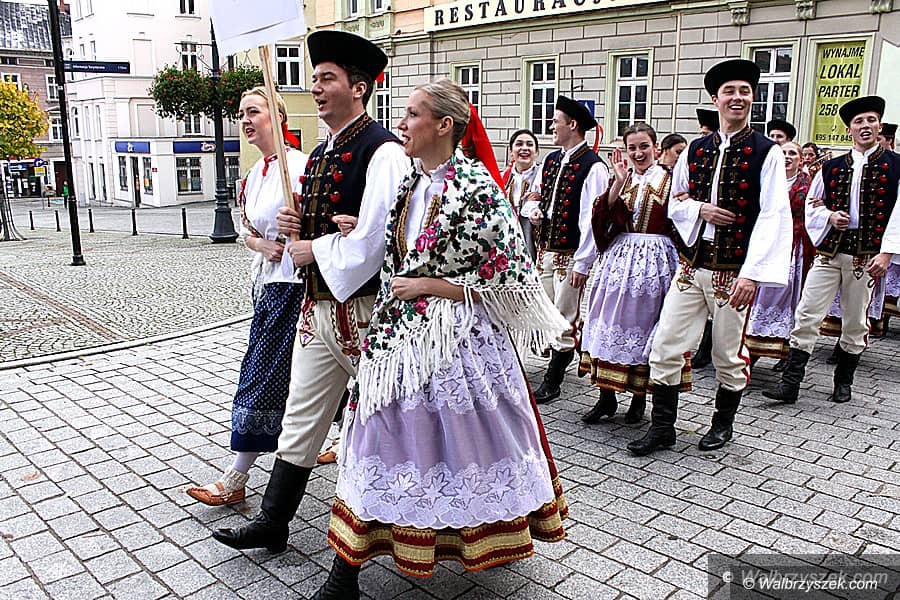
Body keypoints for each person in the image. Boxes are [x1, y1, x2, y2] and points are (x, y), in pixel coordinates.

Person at [312, 79, 570, 599]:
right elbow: (401, 253)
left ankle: (480, 536)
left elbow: (509, 275)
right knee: (378, 439)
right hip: (397, 339)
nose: (402, 123)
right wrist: (358, 230)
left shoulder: (476, 188)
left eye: (412, 114)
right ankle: (348, 570)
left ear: (444, 125)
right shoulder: (410, 184)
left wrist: (432, 286)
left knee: (466, 445)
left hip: (458, 340)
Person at [211, 30, 411, 553]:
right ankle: (273, 522)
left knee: (382, 420)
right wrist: (296, 225)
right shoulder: (323, 152)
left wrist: (313, 249)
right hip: (318, 306)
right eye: (315, 78)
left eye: (327, 79)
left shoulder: (383, 151)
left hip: (365, 310)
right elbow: (325, 227)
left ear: (359, 88)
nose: (316, 88)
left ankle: (395, 528)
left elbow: (376, 239)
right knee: (300, 415)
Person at [628, 58, 792, 456]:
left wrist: (751, 274)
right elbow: (675, 202)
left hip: (733, 272)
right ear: (715, 99)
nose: (737, 98)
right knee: (665, 345)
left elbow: (773, 214)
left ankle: (723, 424)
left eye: (744, 92)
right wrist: (699, 209)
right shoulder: (695, 149)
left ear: (752, 98)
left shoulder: (766, 152)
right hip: (691, 266)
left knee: (726, 354)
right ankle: (663, 427)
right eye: (729, 91)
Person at [186, 87, 307, 507]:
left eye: (253, 111)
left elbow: (323, 226)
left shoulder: (300, 168)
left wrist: (298, 230)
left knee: (265, 375)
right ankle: (337, 437)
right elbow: (248, 232)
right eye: (241, 113)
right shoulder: (255, 175)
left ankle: (236, 476)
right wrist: (262, 245)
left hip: (296, 287)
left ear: (278, 116)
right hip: (268, 286)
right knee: (290, 375)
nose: (245, 120)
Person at [764, 95, 900, 405]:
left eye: (871, 120)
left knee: (855, 320)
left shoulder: (896, 166)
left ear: (879, 126)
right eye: (858, 121)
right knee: (807, 312)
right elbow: (813, 205)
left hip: (865, 256)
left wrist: (887, 253)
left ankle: (844, 381)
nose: (865, 126)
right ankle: (790, 383)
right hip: (830, 252)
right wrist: (829, 216)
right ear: (849, 129)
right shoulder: (832, 167)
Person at [579, 123, 688, 424]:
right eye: (632, 148)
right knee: (607, 322)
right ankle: (606, 397)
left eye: (644, 146)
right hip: (619, 259)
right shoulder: (622, 179)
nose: (638, 153)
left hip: (655, 262)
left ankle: (639, 398)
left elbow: (682, 222)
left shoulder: (670, 180)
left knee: (645, 327)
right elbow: (601, 219)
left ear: (656, 148)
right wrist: (616, 182)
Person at [524, 97, 610, 404]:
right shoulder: (551, 160)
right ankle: (566, 354)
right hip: (545, 251)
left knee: (564, 316)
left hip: (571, 255)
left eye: (555, 121)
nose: (551, 126)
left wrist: (583, 263)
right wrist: (534, 210)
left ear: (572, 125)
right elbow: (535, 194)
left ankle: (554, 381)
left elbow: (592, 219)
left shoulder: (594, 166)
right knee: (542, 309)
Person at [744, 141, 813, 370]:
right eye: (783, 153)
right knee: (759, 297)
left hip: (792, 248)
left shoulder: (807, 184)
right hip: (766, 244)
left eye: (792, 153)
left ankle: (783, 349)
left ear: (800, 160)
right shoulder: (767, 180)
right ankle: (752, 348)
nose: (787, 157)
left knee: (784, 298)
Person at [503, 128, 541, 260]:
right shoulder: (502, 178)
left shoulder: (545, 177)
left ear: (536, 152)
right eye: (519, 144)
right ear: (511, 151)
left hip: (535, 245)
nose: (524, 148)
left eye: (529, 145)